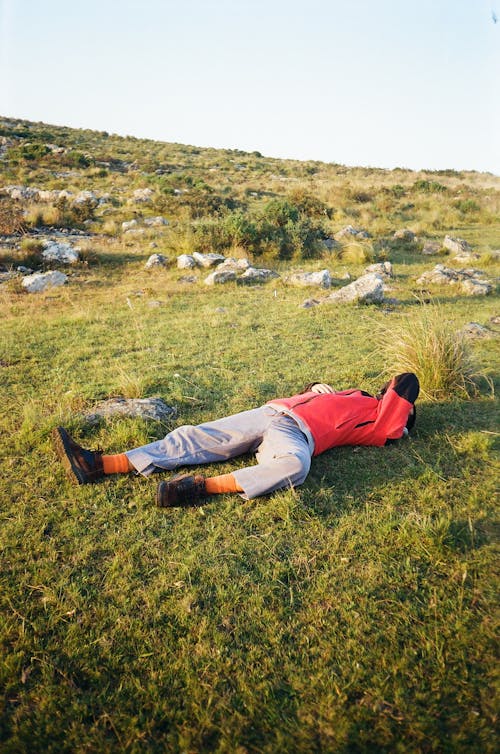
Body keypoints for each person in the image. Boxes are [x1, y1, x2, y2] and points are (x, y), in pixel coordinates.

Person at [52, 372, 419, 508]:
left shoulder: (380, 422)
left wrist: (401, 414)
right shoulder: (351, 393)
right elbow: (310, 394)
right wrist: (315, 387)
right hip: (270, 412)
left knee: (296, 465)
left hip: (295, 436)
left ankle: (197, 488)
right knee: (192, 437)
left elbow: (406, 381)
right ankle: (98, 464)